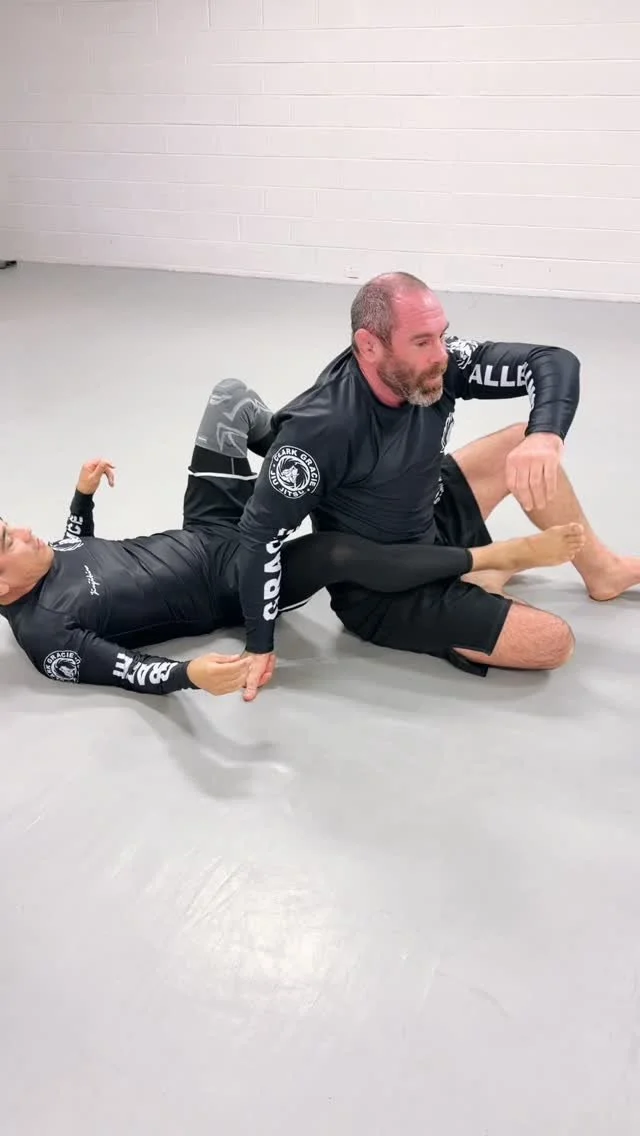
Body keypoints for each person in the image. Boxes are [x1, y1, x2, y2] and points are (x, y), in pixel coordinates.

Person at [0, 379, 584, 698]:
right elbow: (126, 668)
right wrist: (189, 675)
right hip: (233, 586)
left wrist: (81, 499)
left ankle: (308, 465)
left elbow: (77, 546)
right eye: (8, 542)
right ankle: (491, 556)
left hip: (204, 527)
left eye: (7, 526)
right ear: (2, 588)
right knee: (337, 553)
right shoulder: (49, 636)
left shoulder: (43, 560)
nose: (24, 531)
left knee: (230, 400)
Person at [235, 271, 640, 700]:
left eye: (441, 336)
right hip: (387, 588)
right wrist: (259, 645)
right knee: (553, 641)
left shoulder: (432, 368)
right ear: (369, 345)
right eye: (422, 342)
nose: (441, 355)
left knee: (522, 440)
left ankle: (602, 571)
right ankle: (480, 576)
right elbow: (260, 535)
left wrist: (545, 435)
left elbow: (553, 361)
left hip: (431, 514)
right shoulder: (321, 428)